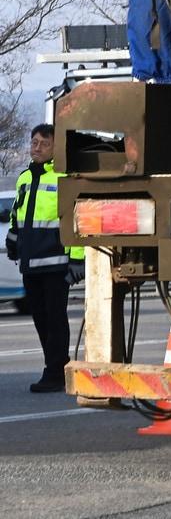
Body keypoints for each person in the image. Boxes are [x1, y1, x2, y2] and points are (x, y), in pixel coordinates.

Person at [6, 124, 84, 392]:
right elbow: (18, 214)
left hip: (55, 264)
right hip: (31, 264)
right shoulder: (24, 178)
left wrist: (77, 260)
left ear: (55, 148)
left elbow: (75, 221)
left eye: (43, 143)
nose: (37, 148)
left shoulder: (63, 178)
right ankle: (56, 368)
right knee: (40, 319)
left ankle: (55, 372)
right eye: (34, 142)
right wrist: (14, 240)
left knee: (55, 319)